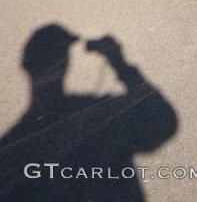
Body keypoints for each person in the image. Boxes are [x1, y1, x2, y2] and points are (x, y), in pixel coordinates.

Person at [0, 25, 178, 201]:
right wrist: (117, 60)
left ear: (26, 65)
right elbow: (164, 122)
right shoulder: (96, 110)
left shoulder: (9, 148)